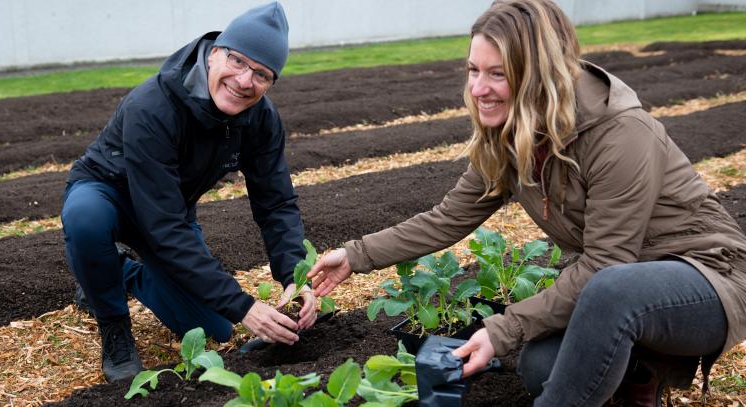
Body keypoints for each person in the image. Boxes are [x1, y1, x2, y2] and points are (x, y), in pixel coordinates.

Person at [308, 0, 746, 405]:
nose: (479, 88)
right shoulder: (512, 135)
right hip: (623, 284)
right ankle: (638, 375)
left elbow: (608, 266)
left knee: (610, 291)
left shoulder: (621, 134)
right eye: (472, 70)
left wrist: (502, 330)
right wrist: (356, 255)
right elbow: (449, 217)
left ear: (537, 73)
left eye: (497, 73)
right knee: (540, 365)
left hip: (706, 277)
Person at [61, 2, 317, 383]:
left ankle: (118, 271)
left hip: (169, 209)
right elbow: (163, 226)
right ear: (214, 54)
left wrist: (295, 278)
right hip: (108, 194)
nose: (245, 81)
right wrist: (244, 305)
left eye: (262, 74)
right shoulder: (154, 105)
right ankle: (113, 326)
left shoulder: (261, 119)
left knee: (215, 327)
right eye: (238, 61)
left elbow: (276, 202)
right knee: (85, 220)